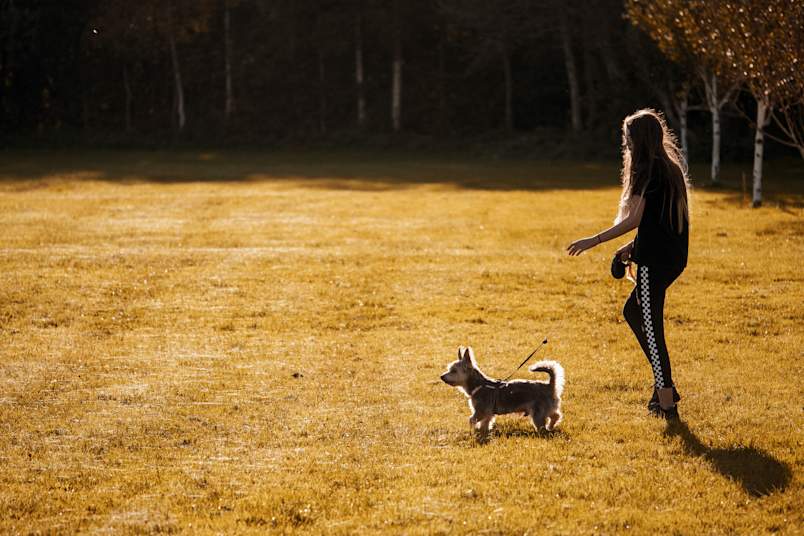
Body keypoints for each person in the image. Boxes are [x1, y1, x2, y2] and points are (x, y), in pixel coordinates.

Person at [566, 109, 690, 419]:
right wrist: (631, 247)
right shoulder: (670, 168)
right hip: (671, 257)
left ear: (638, 141)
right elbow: (660, 223)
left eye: (628, 139)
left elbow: (634, 219)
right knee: (633, 311)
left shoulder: (647, 171)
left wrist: (593, 240)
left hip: (654, 261)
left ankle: (666, 403)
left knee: (651, 328)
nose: (626, 145)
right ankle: (666, 389)